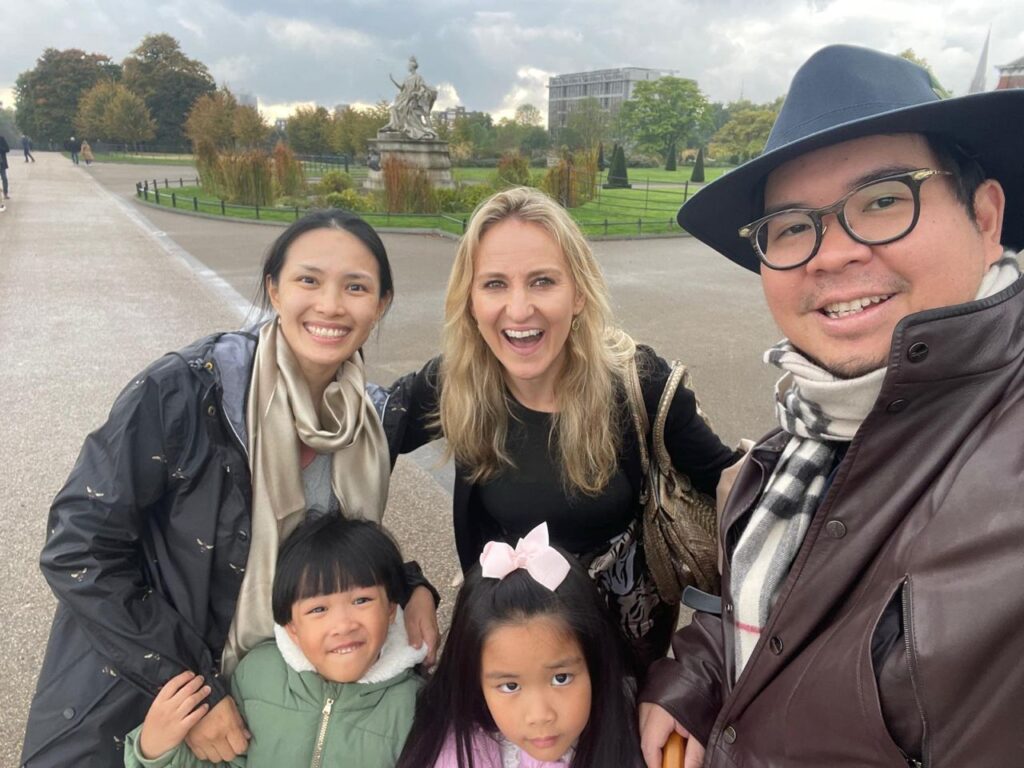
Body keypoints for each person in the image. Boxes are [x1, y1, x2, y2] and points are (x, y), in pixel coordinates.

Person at [639, 44, 1024, 768]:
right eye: (791, 225)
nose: (830, 253)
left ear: (985, 216)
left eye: (882, 200)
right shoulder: (800, 438)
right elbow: (780, 609)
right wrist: (696, 679)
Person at [21, 210, 440, 768]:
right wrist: (193, 688)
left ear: (382, 303)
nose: (331, 305)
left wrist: (408, 584)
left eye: (356, 287)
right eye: (308, 280)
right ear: (274, 288)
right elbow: (79, 548)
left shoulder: (368, 421)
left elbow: (326, 551)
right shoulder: (187, 393)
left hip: (277, 714)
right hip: (147, 698)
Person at [385, 187, 739, 674]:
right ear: (470, 300)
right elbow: (347, 451)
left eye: (542, 281)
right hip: (508, 657)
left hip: (622, 662)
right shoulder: (455, 383)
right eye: (494, 284)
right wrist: (408, 584)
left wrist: (696, 674)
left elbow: (740, 497)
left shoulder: (639, 384)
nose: (518, 309)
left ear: (578, 294)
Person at [123, 514, 426, 767]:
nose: (343, 625)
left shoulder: (416, 706)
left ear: (391, 610)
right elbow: (224, 761)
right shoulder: (258, 674)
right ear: (291, 627)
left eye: (361, 600)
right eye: (318, 609)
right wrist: (155, 752)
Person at [398, 522, 642, 768]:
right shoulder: (454, 757)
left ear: (595, 663)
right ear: (474, 681)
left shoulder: (640, 737)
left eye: (561, 678)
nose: (540, 715)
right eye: (510, 686)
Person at [382, 55, 438, 140]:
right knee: (393, 108)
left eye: (409, 65)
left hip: (412, 98)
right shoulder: (407, 78)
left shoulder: (418, 77)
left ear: (412, 67)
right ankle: (395, 126)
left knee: (403, 107)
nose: (407, 67)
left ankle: (406, 127)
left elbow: (422, 87)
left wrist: (418, 93)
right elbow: (401, 88)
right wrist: (393, 80)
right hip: (404, 97)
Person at [0, 133, 10, 199]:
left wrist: (0, 148)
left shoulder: (1, 139)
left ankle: (5, 194)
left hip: (1, 163)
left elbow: (7, 149)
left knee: (4, 179)